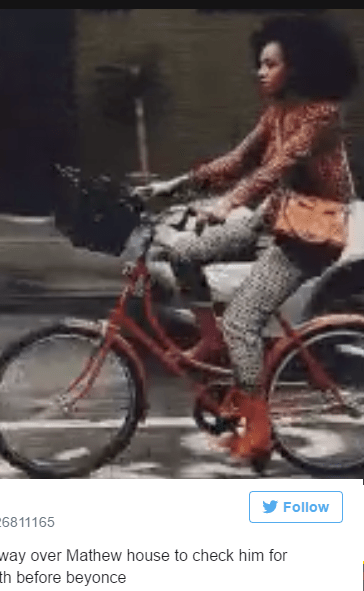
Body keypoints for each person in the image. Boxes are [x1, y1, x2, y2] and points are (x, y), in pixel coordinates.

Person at [139, 15, 359, 465]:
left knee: (242, 320)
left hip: (310, 235)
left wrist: (227, 205)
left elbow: (276, 168)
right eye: (259, 63)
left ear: (298, 68)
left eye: (270, 64)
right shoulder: (277, 113)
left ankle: (257, 431)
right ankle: (210, 340)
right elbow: (237, 160)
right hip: (273, 218)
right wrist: (174, 187)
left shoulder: (323, 116)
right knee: (182, 252)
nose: (260, 72)